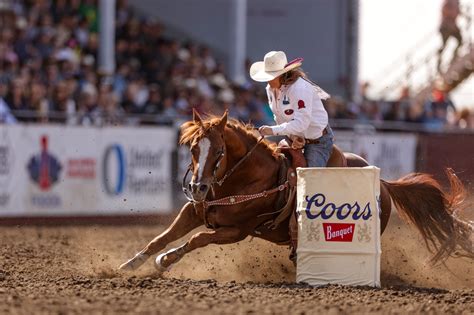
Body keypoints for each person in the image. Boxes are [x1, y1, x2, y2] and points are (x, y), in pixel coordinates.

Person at [250, 50, 333, 167]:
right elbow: (278, 116)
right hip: (295, 137)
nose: (268, 80)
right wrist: (294, 137)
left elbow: (301, 123)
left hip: (317, 141)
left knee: (309, 179)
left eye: (271, 76)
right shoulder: (270, 89)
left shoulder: (299, 88)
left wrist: (272, 130)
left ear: (282, 74)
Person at [437, 0, 463, 72]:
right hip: (446, 26)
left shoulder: (456, 2)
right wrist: (452, 15)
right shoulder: (448, 1)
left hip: (453, 26)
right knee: (444, 44)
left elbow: (459, 11)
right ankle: (439, 62)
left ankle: (454, 58)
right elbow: (444, 11)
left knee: (460, 41)